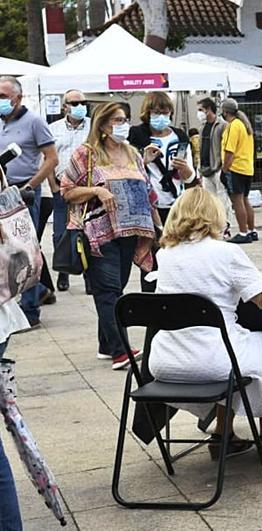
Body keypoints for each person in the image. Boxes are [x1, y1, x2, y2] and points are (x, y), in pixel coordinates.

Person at [147, 187, 262, 456]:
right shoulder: (226, 253)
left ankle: (224, 433)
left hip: (166, 362)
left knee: (232, 352)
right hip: (214, 361)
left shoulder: (164, 256)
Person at [60, 102, 159, 369]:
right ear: (103, 124)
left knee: (117, 288)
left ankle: (106, 344)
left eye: (125, 119)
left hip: (131, 233)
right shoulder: (86, 154)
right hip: (98, 235)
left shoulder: (132, 153)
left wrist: (152, 227)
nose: (123, 124)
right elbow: (67, 190)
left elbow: (146, 191)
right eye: (117, 119)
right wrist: (96, 191)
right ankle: (120, 351)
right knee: (109, 292)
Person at [0, 77, 57, 326]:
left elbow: (51, 158)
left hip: (24, 193)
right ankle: (37, 289)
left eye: (3, 96)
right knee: (7, 251)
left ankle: (31, 310)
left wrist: (29, 186)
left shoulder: (34, 122)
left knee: (26, 249)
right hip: (2, 192)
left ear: (18, 97)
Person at [129, 91, 196, 292]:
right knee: (150, 258)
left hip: (177, 205)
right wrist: (143, 160)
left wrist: (186, 170)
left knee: (179, 255)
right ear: (147, 113)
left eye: (165, 112)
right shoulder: (136, 135)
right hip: (148, 207)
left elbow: (192, 177)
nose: (161, 117)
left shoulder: (180, 137)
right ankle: (151, 303)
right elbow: (127, 169)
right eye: (156, 112)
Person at [49, 89, 90, 294]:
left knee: (88, 231)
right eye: (74, 103)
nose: (79, 106)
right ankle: (63, 270)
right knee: (60, 233)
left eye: (82, 102)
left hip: (87, 188)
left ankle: (89, 275)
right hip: (61, 186)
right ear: (65, 106)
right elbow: (48, 158)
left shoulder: (93, 126)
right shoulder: (53, 129)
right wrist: (53, 185)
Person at [197, 97, 235, 238]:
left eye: (201, 110)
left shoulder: (222, 125)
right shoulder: (202, 127)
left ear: (208, 109)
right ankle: (214, 226)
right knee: (210, 200)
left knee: (222, 199)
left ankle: (226, 226)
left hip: (218, 167)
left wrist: (224, 167)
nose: (199, 113)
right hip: (206, 168)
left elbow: (227, 147)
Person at [220, 98, 256, 244]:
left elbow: (229, 150)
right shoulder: (244, 125)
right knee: (245, 200)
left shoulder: (232, 126)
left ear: (225, 112)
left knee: (237, 201)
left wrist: (225, 168)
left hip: (235, 168)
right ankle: (252, 230)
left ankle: (242, 232)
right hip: (247, 167)